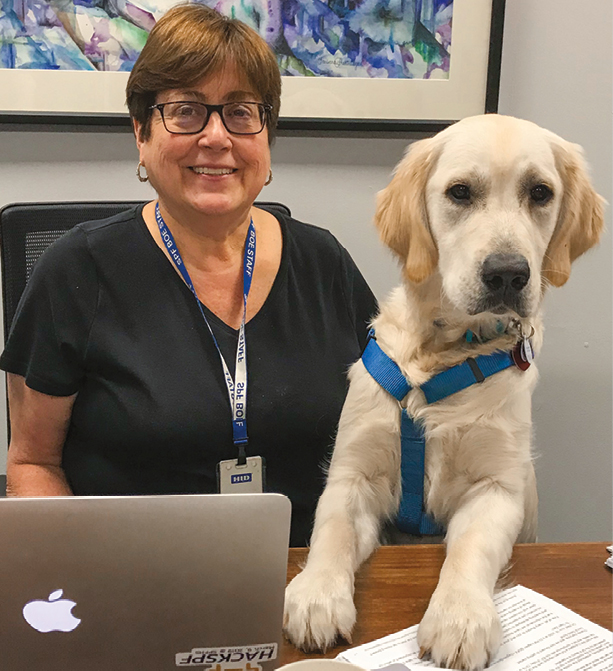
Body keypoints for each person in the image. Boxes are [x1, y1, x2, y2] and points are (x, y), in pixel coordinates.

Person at [0, 3, 377, 547]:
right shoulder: (76, 271)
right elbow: (32, 462)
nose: (217, 137)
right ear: (140, 132)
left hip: (314, 584)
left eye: (242, 112)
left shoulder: (325, 264)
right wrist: (84, 581)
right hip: (133, 586)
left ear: (267, 139)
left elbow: (392, 427)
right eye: (186, 110)